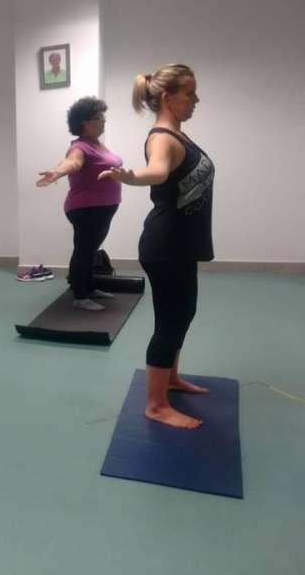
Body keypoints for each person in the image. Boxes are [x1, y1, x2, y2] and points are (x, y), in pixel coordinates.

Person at [99, 64, 213, 429]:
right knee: (169, 321)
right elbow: (159, 171)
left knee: (184, 312)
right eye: (190, 94)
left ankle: (172, 377)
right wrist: (131, 176)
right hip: (166, 245)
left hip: (181, 242)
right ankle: (156, 405)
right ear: (167, 97)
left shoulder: (179, 134)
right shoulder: (162, 138)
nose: (196, 100)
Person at [36, 97, 122, 310]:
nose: (103, 121)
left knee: (90, 250)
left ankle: (89, 287)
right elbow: (73, 162)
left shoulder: (97, 144)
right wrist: (57, 172)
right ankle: (81, 296)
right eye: (99, 118)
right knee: (84, 250)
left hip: (102, 208)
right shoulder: (80, 147)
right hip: (87, 209)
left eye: (103, 117)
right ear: (85, 122)